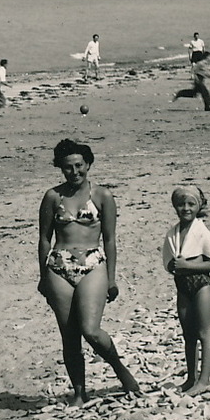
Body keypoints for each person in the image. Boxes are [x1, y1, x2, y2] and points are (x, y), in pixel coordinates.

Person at [37, 139, 142, 404]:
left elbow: (110, 239)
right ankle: (80, 392)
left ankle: (121, 370)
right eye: (68, 168)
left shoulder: (103, 196)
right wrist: (42, 276)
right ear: (61, 168)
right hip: (58, 267)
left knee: (90, 329)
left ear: (89, 164)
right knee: (69, 335)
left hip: (93, 263)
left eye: (79, 166)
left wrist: (112, 277)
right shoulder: (52, 196)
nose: (74, 172)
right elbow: (44, 238)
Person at [162, 185, 210, 395]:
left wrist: (188, 266)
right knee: (188, 334)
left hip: (201, 284)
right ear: (175, 207)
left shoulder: (202, 231)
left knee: (204, 332)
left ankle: (204, 380)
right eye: (181, 204)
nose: (185, 208)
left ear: (198, 206)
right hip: (182, 287)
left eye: (190, 204)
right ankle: (191, 378)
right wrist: (175, 267)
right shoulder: (173, 234)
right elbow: (169, 263)